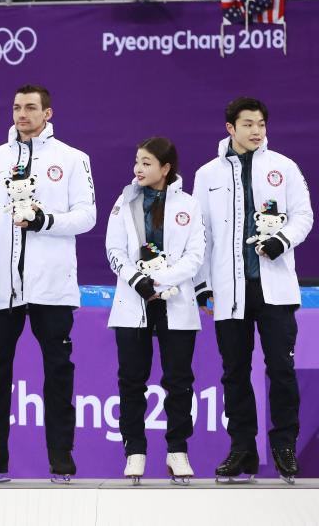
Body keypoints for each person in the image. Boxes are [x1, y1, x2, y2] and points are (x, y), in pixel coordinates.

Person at [0, 84, 96, 483]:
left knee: (58, 373)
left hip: (51, 287)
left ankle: (61, 457)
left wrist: (45, 220)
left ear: (48, 114)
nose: (21, 114)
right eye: (16, 107)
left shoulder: (72, 159)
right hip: (3, 287)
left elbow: (87, 216)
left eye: (30, 108)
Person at [193, 97, 313, 484]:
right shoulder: (207, 174)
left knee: (281, 367)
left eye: (261, 124)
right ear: (230, 128)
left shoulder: (283, 167)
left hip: (274, 288)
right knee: (234, 372)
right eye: (248, 124)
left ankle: (284, 445)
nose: (257, 131)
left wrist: (282, 239)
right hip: (230, 290)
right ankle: (242, 447)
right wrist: (202, 285)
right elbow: (201, 234)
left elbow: (304, 216)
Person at [104, 137, 205, 485]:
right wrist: (139, 281)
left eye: (147, 163)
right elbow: (113, 250)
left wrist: (159, 280)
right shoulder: (124, 202)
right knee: (131, 380)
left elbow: (195, 255)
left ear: (165, 168)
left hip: (175, 301)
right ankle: (135, 450)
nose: (138, 168)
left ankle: (177, 450)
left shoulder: (189, 205)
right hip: (135, 301)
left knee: (178, 380)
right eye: (137, 161)